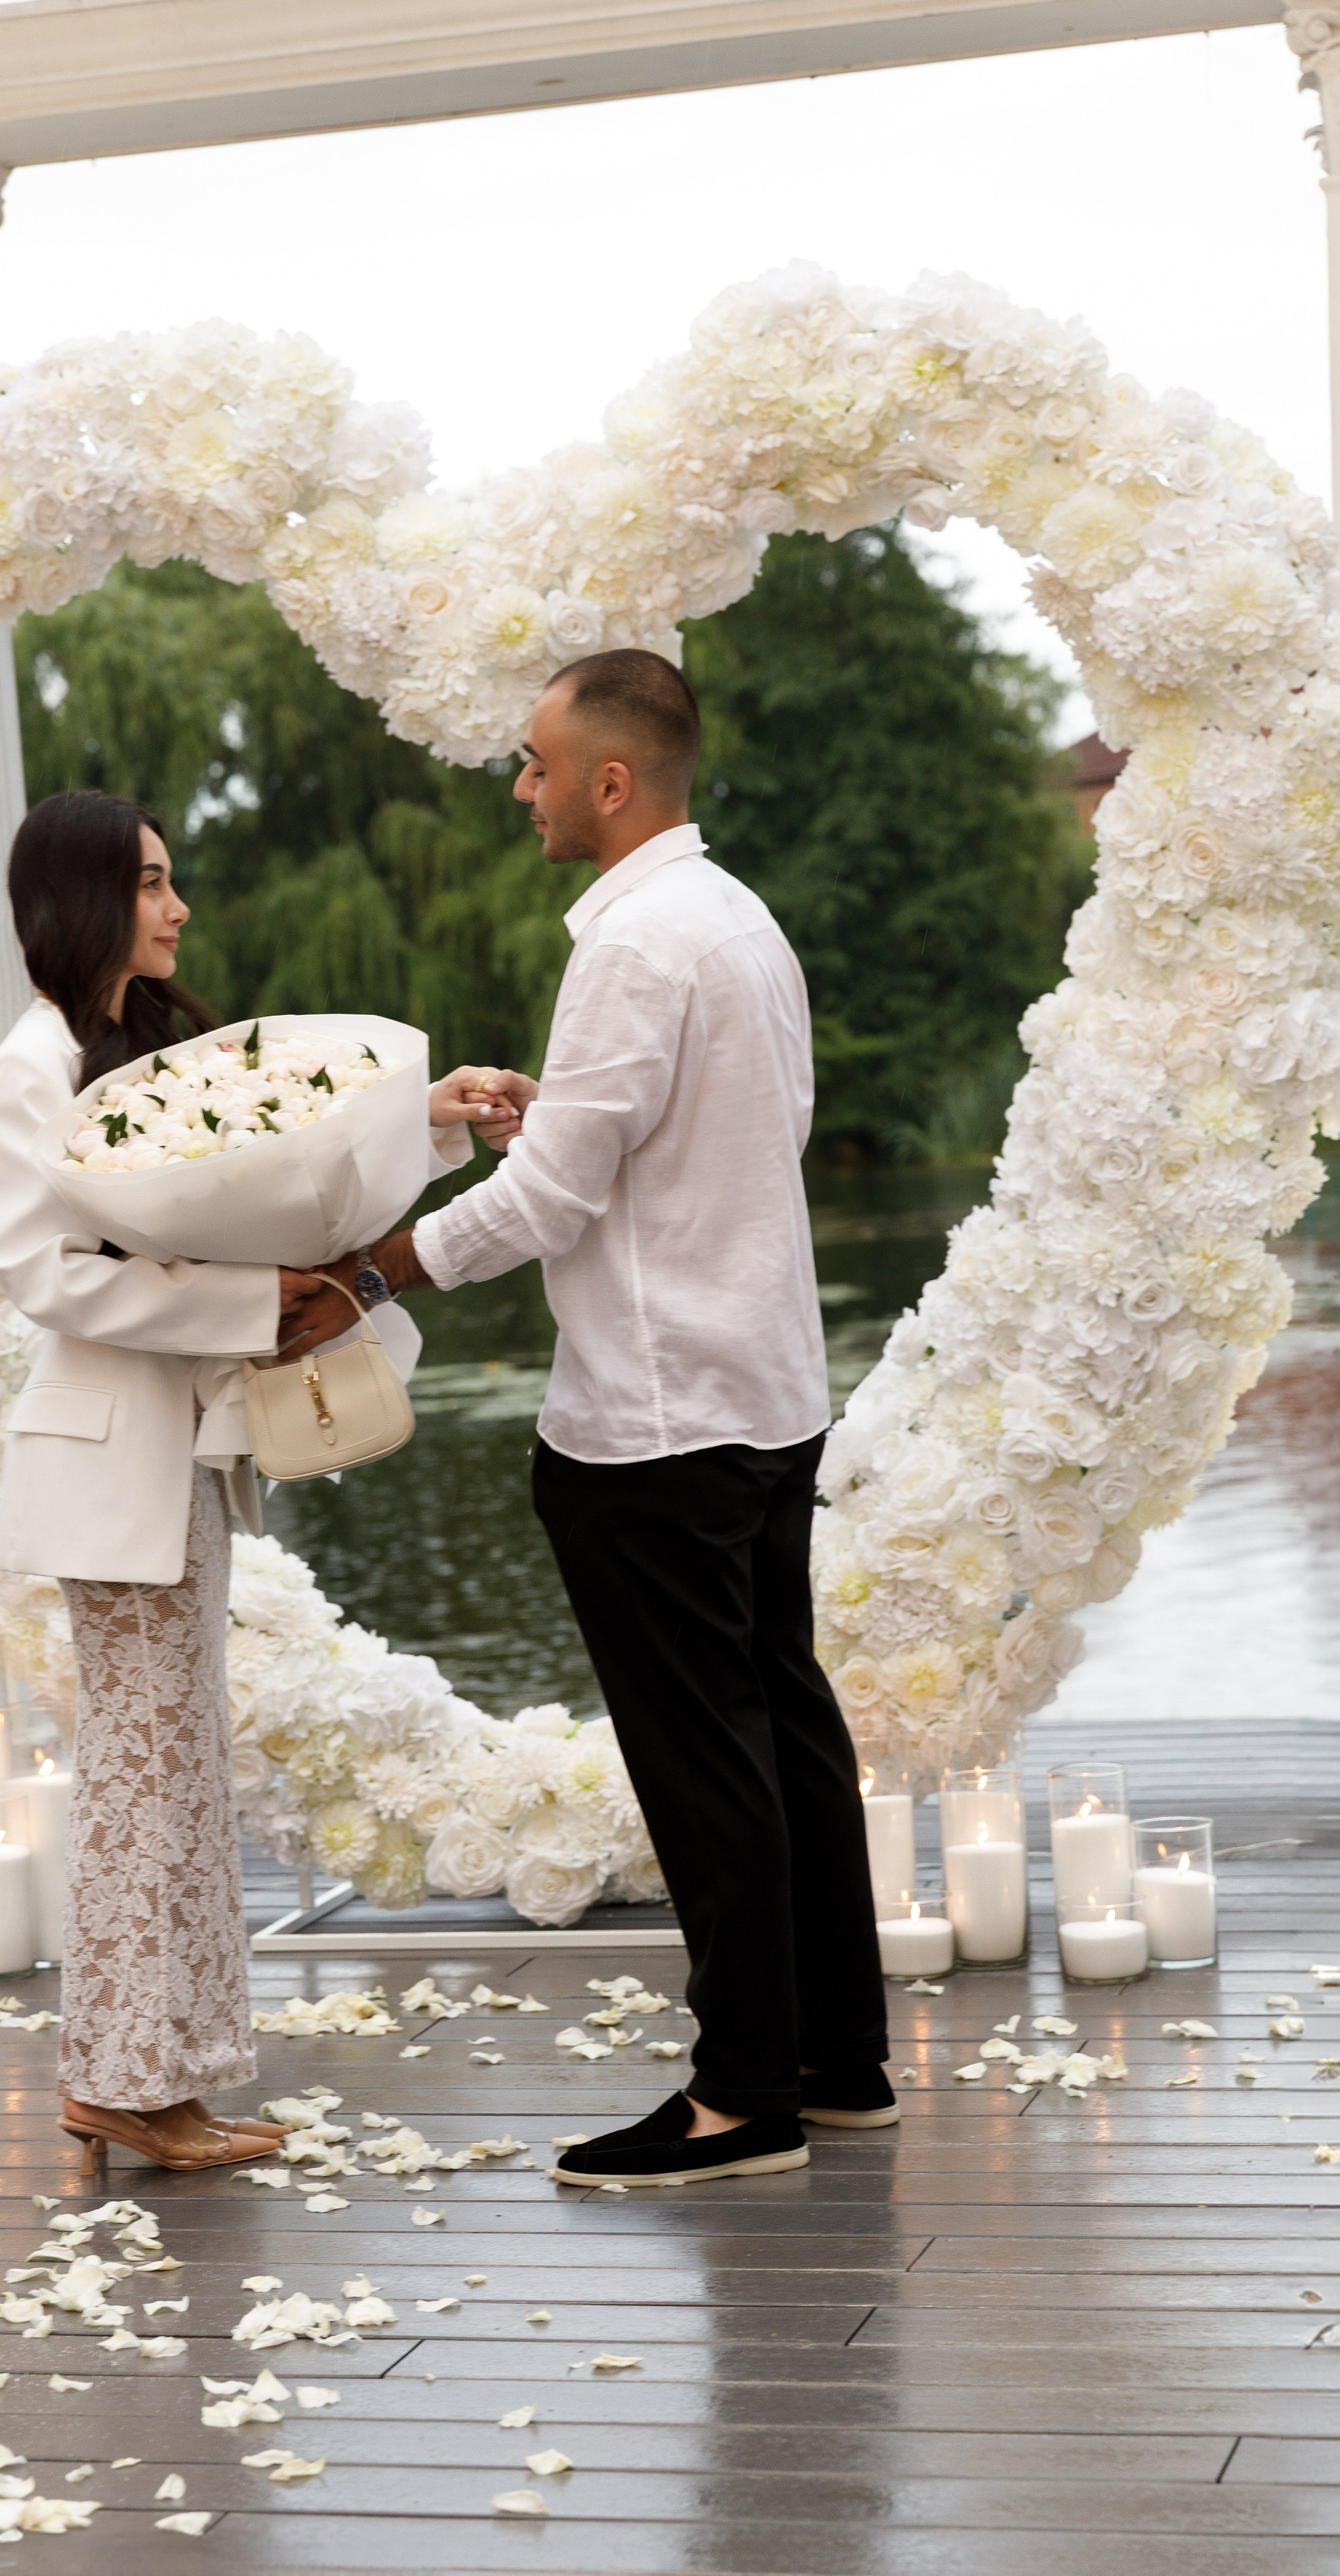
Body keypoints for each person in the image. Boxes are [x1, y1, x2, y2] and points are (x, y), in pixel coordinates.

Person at [285, 651, 892, 2186]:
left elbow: (553, 1200)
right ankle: (836, 2058)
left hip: (654, 1416)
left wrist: (366, 1268)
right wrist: (563, 1117)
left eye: (536, 763)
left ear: (610, 781)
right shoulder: (738, 920)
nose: (520, 786)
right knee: (783, 1725)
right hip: (763, 1389)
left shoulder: (631, 943)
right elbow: (744, 1129)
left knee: (707, 1758)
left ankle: (738, 2096)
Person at [0, 788, 505, 2173]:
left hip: (181, 1463)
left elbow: (283, 1170)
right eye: (150, 883)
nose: (177, 906)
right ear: (82, 897)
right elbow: (46, 1279)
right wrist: (251, 1305)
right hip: (109, 1470)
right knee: (142, 1784)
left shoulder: (139, 1048)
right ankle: (120, 2082)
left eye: (172, 880)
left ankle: (166, 2081)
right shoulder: (31, 1068)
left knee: (179, 1775)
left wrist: (429, 1124)